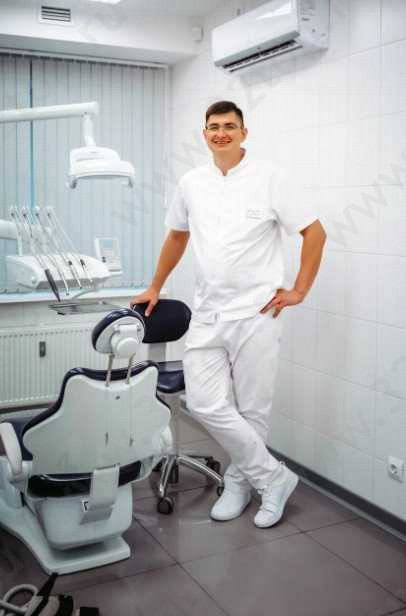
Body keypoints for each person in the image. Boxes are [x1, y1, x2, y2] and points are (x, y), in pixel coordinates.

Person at [131, 100, 326, 528]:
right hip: (208, 313)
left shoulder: (271, 178)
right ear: (205, 134)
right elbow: (177, 237)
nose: (221, 133)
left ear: (243, 132)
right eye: (214, 126)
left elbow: (315, 232)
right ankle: (273, 477)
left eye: (229, 126)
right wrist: (156, 285)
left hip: (257, 313)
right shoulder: (191, 183)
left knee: (254, 409)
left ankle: (240, 484)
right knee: (204, 402)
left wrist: (299, 290)